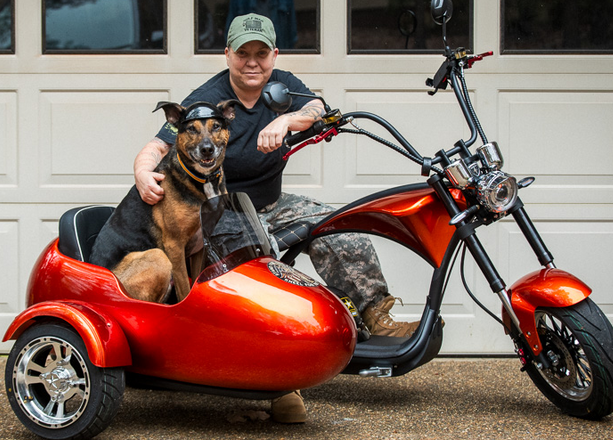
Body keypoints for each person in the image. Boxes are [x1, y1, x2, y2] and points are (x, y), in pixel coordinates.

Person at [133, 13, 417, 424]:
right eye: (243, 53)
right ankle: (283, 384)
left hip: (274, 200)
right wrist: (143, 172)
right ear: (227, 54)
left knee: (339, 226)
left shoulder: (283, 87)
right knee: (263, 275)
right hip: (223, 210)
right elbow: (156, 146)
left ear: (274, 55)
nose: (252, 62)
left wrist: (287, 119)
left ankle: (373, 314)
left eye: (260, 54)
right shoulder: (208, 99)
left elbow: (319, 108)